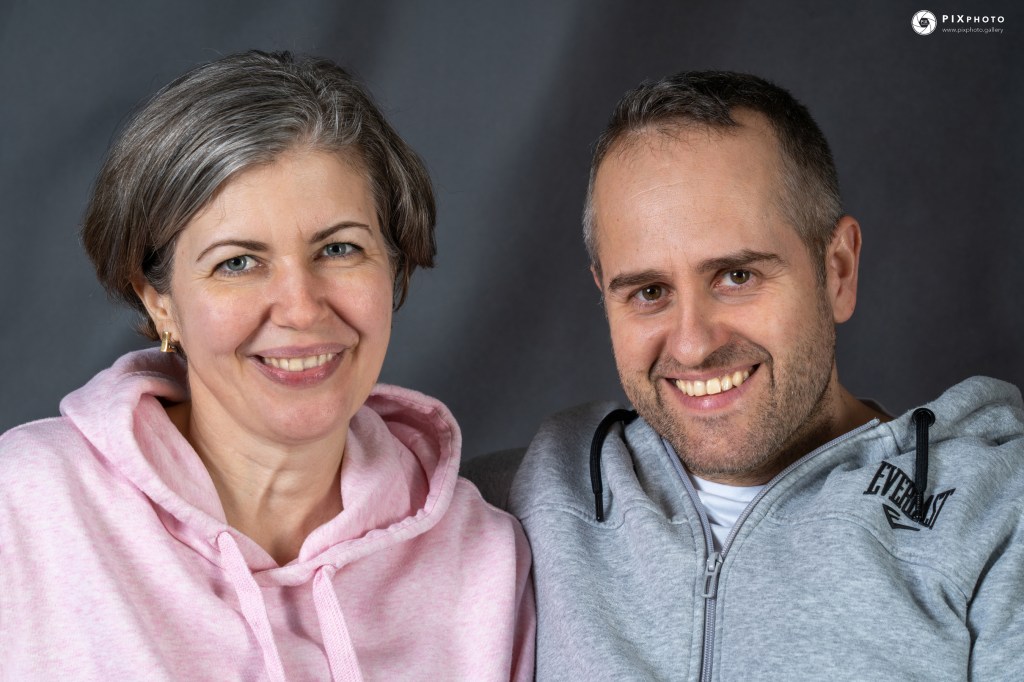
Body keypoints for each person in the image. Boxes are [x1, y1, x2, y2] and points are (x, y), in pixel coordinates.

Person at [0, 50, 534, 680]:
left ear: (393, 267)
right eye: (237, 263)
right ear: (160, 302)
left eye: (339, 249)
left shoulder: (486, 560)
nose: (301, 309)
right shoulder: (25, 506)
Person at [501, 71, 1024, 679]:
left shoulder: (994, 515)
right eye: (649, 292)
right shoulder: (533, 496)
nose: (693, 346)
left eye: (737, 276)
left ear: (837, 270)